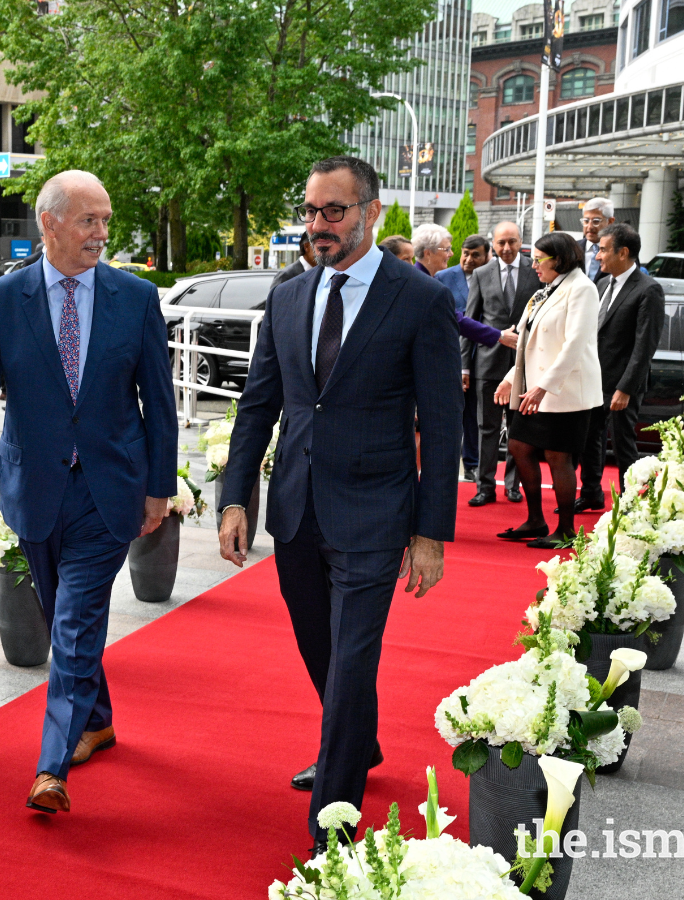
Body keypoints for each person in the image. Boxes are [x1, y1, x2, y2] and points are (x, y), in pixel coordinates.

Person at [216, 156, 461, 853]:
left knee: (352, 662)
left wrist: (429, 531)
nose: (318, 225)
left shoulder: (419, 299)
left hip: (376, 512)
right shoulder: (290, 295)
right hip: (296, 508)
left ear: (371, 212)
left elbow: (441, 426)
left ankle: (333, 824)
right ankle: (360, 741)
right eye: (311, 211)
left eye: (334, 211)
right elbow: (258, 404)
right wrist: (236, 499)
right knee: (321, 651)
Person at [0, 170, 178, 815]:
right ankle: (98, 720)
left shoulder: (135, 299)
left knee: (75, 622)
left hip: (111, 491)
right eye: (89, 220)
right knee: (62, 617)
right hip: (36, 490)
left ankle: (52, 766)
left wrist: (160, 486)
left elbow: (158, 402)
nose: (102, 233)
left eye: (106, 220)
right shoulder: (0, 299)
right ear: (49, 224)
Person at [493, 231, 602, 547]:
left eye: (539, 259)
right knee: (519, 447)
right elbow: (530, 343)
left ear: (559, 258)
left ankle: (566, 530)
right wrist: (512, 377)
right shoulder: (545, 290)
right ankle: (536, 520)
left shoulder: (582, 288)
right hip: (535, 388)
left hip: (565, 391)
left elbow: (574, 344)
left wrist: (543, 387)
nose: (534, 265)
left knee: (558, 457)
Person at [577, 223, 664, 509]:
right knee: (590, 439)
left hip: (622, 384)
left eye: (603, 250)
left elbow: (644, 345)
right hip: (593, 379)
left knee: (623, 444)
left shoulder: (648, 290)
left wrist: (625, 388)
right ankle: (591, 493)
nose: (598, 256)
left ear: (623, 252)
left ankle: (631, 503)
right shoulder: (602, 284)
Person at [464, 221, 542, 506]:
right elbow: (471, 320)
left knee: (519, 426)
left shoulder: (535, 271)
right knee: (487, 427)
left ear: (521, 241)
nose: (507, 248)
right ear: (493, 245)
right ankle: (484, 486)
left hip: (525, 363)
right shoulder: (481, 273)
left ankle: (513, 484)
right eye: (501, 243)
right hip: (489, 363)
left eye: (512, 242)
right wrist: (465, 366)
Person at [437, 235, 492, 481]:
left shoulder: (494, 277)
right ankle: (453, 461)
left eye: (476, 255)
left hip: (486, 355)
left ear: (487, 256)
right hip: (453, 356)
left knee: (476, 416)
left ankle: (472, 463)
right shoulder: (444, 278)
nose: (469, 260)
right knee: (453, 413)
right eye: (465, 253)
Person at [577, 198, 614, 282]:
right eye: (586, 221)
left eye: (596, 221)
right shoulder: (572, 249)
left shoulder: (619, 252)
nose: (589, 227)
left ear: (610, 221)